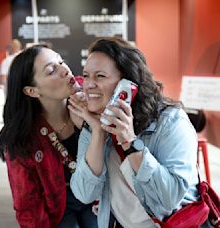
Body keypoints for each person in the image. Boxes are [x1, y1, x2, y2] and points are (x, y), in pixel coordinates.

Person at [68, 37, 200, 228]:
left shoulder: (170, 121)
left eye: (100, 76)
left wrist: (130, 142)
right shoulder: (94, 122)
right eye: (86, 75)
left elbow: (168, 200)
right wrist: (97, 132)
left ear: (128, 84)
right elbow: (84, 194)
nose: (88, 85)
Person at [0, 44, 97, 228]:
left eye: (61, 62)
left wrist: (91, 123)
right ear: (32, 91)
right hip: (58, 207)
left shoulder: (93, 97)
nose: (65, 70)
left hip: (97, 198)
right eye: (51, 70)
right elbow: (27, 205)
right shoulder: (23, 138)